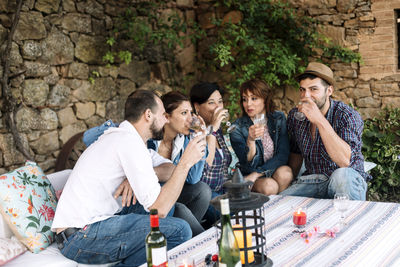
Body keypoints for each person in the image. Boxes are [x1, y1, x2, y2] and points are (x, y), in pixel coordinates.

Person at [52, 90, 206, 266]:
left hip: (90, 228)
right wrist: (186, 162)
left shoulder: (128, 139)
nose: (165, 120)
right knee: (180, 230)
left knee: (164, 209)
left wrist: (143, 175)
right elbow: (159, 208)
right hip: (81, 237)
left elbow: (170, 170)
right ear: (148, 115)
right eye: (163, 115)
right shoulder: (128, 142)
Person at [281, 62, 371, 200]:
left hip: (345, 180)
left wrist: (319, 120)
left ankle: (350, 219)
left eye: (313, 89)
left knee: (342, 175)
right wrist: (290, 181)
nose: (306, 95)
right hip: (313, 181)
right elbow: (296, 153)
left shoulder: (347, 115)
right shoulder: (296, 116)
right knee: (278, 203)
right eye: (302, 90)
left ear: (329, 91)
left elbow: (345, 161)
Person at [147, 91, 212, 235]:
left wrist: (200, 138)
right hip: (153, 201)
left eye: (191, 113)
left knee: (203, 190)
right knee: (180, 209)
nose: (191, 119)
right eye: (184, 113)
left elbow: (193, 178)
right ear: (167, 117)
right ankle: (202, 240)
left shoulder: (184, 140)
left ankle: (184, 238)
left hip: (173, 193)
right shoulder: (149, 140)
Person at [229, 79, 293, 195]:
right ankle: (269, 209)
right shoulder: (236, 128)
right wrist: (251, 140)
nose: (248, 104)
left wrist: (257, 173)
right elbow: (247, 164)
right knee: (269, 186)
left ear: (265, 99)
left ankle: (279, 207)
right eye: (245, 99)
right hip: (249, 175)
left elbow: (282, 155)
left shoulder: (278, 118)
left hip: (269, 170)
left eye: (254, 98)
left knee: (286, 172)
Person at [190, 82, 232, 226]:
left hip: (224, 191)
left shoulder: (218, 131)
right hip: (205, 196)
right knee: (233, 216)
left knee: (250, 207)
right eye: (211, 103)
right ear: (197, 107)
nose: (218, 107)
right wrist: (212, 130)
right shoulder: (194, 132)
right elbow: (206, 166)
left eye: (220, 102)